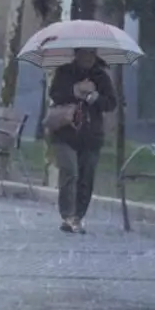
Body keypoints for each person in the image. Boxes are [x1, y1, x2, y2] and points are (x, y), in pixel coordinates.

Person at [47, 47, 117, 234]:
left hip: (91, 135)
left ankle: (78, 216)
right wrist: (75, 91)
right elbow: (55, 94)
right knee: (69, 171)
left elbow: (111, 103)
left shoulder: (101, 76)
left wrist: (95, 98)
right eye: (84, 53)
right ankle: (68, 215)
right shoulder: (64, 72)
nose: (88, 57)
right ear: (77, 54)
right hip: (65, 132)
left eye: (91, 54)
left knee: (86, 177)